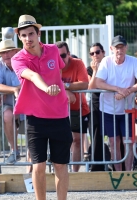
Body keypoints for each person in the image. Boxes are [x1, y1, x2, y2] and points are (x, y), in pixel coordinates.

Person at [11, 15, 72, 200]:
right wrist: (47, 88)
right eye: (24, 35)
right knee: (39, 166)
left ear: (39, 33)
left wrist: (62, 90)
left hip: (60, 115)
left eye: (31, 34)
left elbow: (59, 70)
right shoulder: (17, 59)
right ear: (19, 37)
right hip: (35, 119)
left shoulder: (53, 50)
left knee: (61, 165)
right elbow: (31, 75)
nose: (28, 38)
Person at [95, 35, 137, 171]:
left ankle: (128, 172)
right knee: (114, 142)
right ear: (112, 49)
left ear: (126, 47)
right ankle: (118, 173)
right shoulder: (106, 62)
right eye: (117, 47)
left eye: (122, 47)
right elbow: (98, 82)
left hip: (127, 109)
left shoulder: (134, 61)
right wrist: (118, 89)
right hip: (108, 109)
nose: (120, 50)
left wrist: (128, 91)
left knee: (128, 142)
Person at [56, 41, 89, 172]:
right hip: (57, 109)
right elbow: (48, 85)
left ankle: (75, 172)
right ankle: (61, 171)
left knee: (77, 140)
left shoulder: (78, 63)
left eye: (63, 55)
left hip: (78, 108)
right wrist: (67, 92)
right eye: (57, 56)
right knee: (60, 141)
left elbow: (84, 84)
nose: (60, 59)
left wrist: (65, 86)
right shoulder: (52, 65)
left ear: (69, 54)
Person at [0, 39, 22, 164]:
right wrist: (14, 90)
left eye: (9, 51)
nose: (6, 55)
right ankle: (14, 151)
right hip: (10, 103)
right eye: (3, 53)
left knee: (31, 133)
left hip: (28, 102)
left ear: (16, 51)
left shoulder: (23, 61)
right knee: (7, 115)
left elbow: (29, 81)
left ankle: (31, 170)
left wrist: (8, 90)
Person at [87, 42, 107, 171]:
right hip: (95, 104)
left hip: (111, 104)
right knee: (95, 135)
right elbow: (91, 87)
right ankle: (96, 167)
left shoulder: (110, 65)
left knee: (115, 136)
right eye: (92, 53)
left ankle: (117, 165)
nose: (95, 55)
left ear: (103, 53)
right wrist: (94, 71)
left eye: (97, 52)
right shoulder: (89, 69)